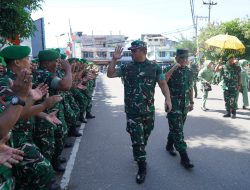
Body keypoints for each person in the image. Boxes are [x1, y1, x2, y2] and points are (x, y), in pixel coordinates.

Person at [107, 40, 172, 184]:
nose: (132, 53)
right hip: (132, 111)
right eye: (131, 51)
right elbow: (110, 74)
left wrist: (168, 99)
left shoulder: (154, 67)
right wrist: (114, 59)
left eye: (134, 50)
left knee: (145, 135)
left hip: (148, 110)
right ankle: (142, 166)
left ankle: (139, 151)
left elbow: (163, 83)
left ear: (143, 51)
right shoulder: (127, 67)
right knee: (137, 138)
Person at [164, 49, 194, 169]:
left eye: (186, 58)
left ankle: (169, 145)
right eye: (181, 58)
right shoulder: (170, 69)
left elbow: (190, 87)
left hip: (184, 105)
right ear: (176, 58)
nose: (184, 60)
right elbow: (163, 81)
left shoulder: (189, 71)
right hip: (173, 104)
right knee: (178, 130)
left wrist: (191, 102)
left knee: (178, 128)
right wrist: (174, 68)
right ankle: (184, 157)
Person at [215, 54, 241, 118]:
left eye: (233, 59)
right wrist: (219, 63)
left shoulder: (237, 67)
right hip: (226, 86)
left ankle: (233, 113)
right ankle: (228, 112)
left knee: (233, 100)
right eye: (231, 59)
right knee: (226, 100)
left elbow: (240, 77)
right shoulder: (224, 67)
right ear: (228, 59)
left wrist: (239, 85)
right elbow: (216, 70)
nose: (232, 60)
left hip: (234, 86)